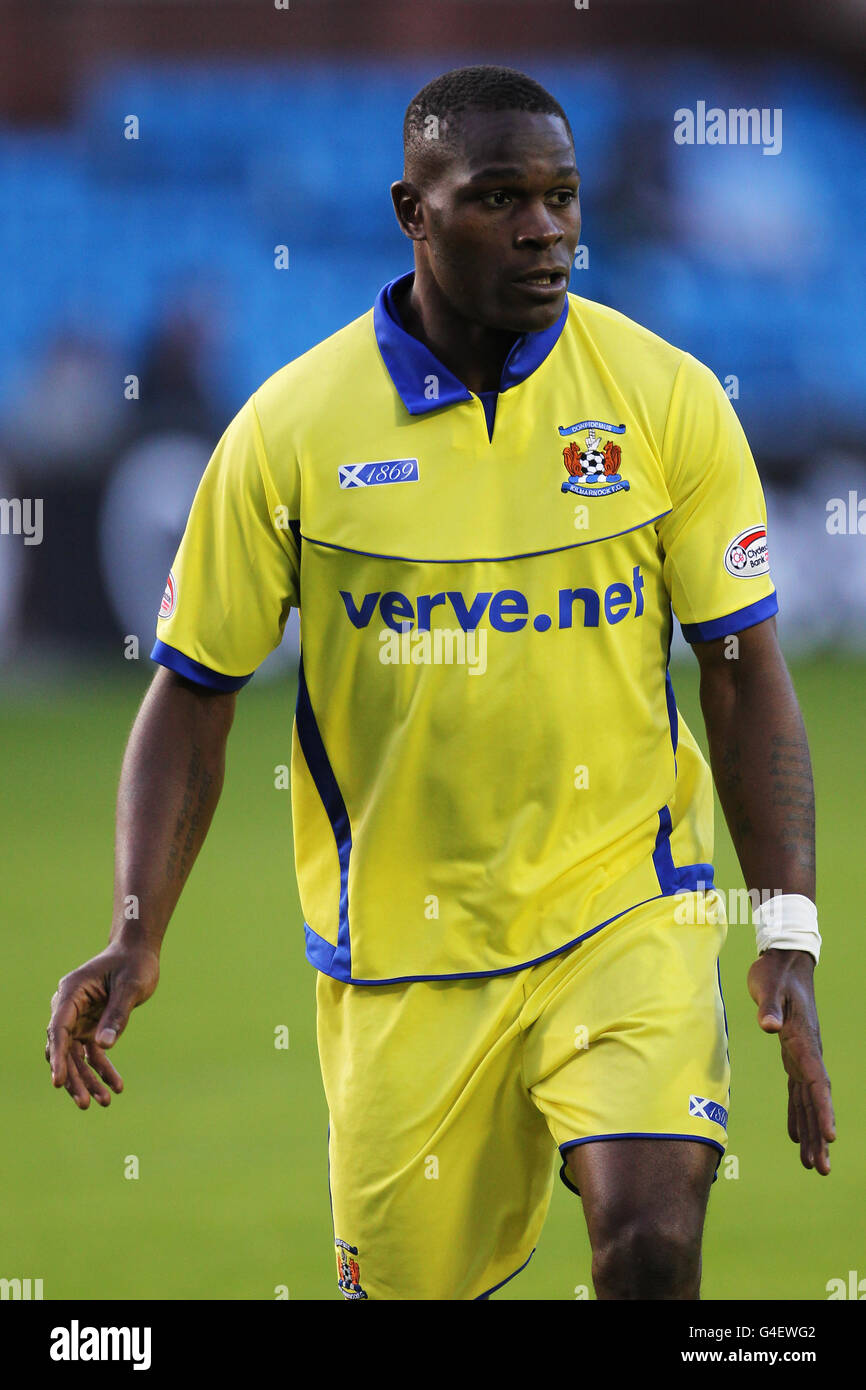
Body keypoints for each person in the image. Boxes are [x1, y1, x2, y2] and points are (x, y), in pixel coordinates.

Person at [45, 65, 834, 1301]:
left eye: (563, 196)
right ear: (412, 211)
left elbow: (741, 674)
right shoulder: (290, 432)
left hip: (623, 910)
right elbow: (192, 697)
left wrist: (784, 927)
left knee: (651, 1239)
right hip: (404, 960)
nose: (544, 228)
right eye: (500, 197)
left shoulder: (664, 398)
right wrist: (135, 933)